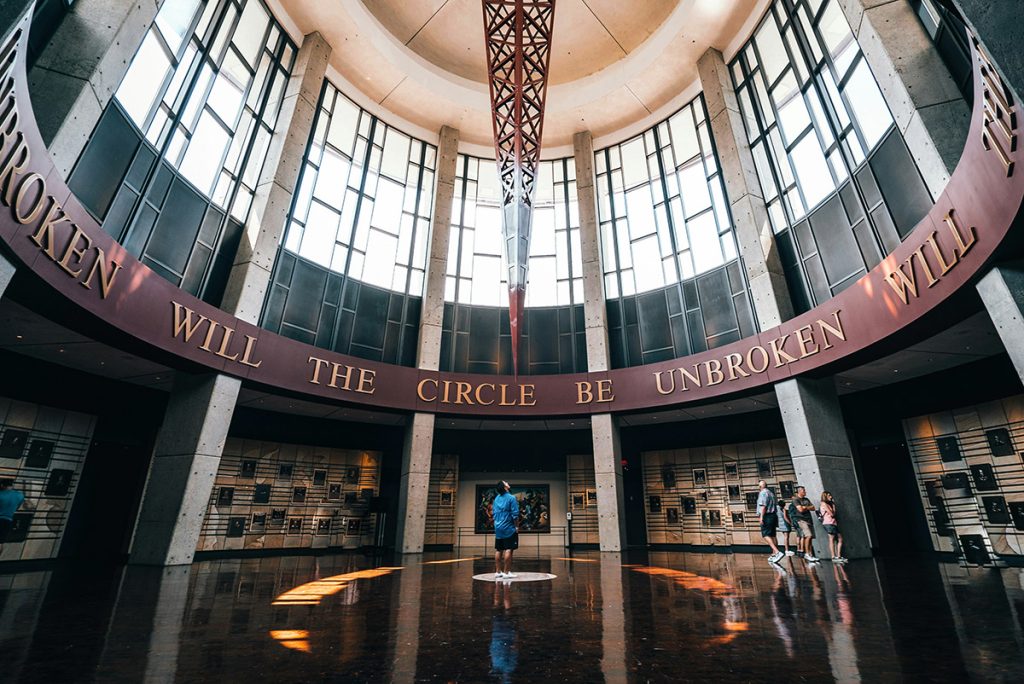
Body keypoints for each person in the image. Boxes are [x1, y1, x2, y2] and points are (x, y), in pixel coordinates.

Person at [492, 480, 520, 580]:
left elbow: (494, 513)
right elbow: (515, 515)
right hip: (509, 527)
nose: (507, 483)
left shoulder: (496, 498)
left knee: (498, 549)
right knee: (509, 549)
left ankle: (497, 572)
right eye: (506, 483)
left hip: (498, 527)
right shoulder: (511, 498)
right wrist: (516, 527)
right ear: (505, 487)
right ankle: (506, 572)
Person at [756, 480, 784, 564]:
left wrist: (761, 517)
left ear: (760, 487)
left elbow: (763, 506)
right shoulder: (771, 493)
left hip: (767, 516)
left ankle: (777, 552)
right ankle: (774, 554)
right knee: (773, 535)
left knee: (765, 534)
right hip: (773, 515)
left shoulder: (763, 493)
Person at [792, 486, 820, 563]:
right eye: (803, 491)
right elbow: (800, 509)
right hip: (801, 520)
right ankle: (807, 554)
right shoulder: (796, 500)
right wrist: (807, 507)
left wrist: (805, 507)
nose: (805, 492)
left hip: (809, 520)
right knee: (808, 535)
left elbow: (813, 508)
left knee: (810, 538)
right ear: (799, 491)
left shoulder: (806, 499)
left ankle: (810, 554)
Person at [820, 491, 847, 563]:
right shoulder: (824, 504)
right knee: (831, 539)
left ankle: (838, 556)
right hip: (828, 523)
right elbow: (832, 514)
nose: (831, 497)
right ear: (825, 496)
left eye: (830, 495)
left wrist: (833, 505)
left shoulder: (830, 504)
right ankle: (833, 556)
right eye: (829, 495)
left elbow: (833, 513)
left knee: (840, 539)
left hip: (833, 523)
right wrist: (833, 508)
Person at [0, 478, 26, 551]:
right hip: (8, 521)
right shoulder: (20, 495)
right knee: (0, 542)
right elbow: (17, 507)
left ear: (2, 485)